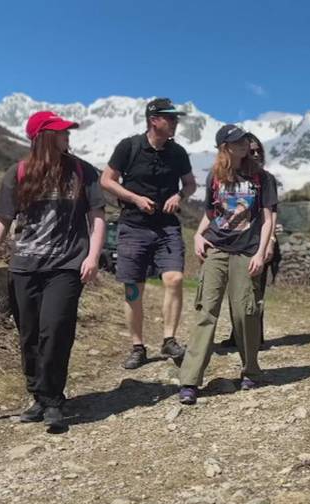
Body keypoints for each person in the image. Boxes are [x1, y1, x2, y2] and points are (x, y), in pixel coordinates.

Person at [0, 111, 107, 429]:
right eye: (61, 132)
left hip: (65, 265)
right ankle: (37, 395)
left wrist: (92, 256)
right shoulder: (18, 173)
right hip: (24, 267)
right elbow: (3, 218)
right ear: (43, 137)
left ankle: (52, 399)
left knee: (56, 329)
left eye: (67, 132)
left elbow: (98, 217)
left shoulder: (82, 171)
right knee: (30, 336)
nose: (68, 136)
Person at [178, 124, 278, 404]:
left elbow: (269, 219)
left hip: (247, 251)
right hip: (217, 249)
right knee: (206, 310)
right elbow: (212, 214)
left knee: (245, 312)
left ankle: (251, 371)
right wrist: (198, 234)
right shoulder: (215, 176)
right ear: (226, 147)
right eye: (238, 141)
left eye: (246, 139)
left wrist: (260, 253)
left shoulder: (262, 178)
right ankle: (190, 381)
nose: (245, 144)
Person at [100, 98, 197, 369]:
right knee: (133, 287)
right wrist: (134, 198)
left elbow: (190, 184)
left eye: (176, 118)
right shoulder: (129, 147)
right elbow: (106, 180)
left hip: (167, 226)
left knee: (175, 279)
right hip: (133, 225)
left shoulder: (178, 153)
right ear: (155, 120)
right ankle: (137, 346)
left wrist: (179, 196)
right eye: (171, 118)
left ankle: (169, 340)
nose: (176, 122)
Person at [219, 132, 279, 349]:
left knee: (255, 291)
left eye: (257, 151)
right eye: (250, 150)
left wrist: (270, 241)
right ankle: (237, 334)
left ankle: (255, 336)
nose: (254, 154)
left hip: (261, 241)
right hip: (237, 242)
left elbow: (271, 213)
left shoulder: (266, 178)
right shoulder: (234, 177)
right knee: (236, 289)